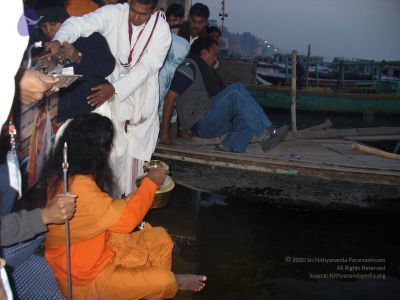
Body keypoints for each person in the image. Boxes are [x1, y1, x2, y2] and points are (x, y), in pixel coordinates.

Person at [44, 113, 206, 299]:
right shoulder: (78, 184)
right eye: (107, 147)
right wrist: (151, 183)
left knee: (160, 239)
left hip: (101, 246)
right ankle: (168, 282)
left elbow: (103, 209)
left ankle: (143, 286)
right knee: (163, 281)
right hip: (86, 279)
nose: (109, 151)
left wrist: (132, 197)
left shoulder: (67, 173)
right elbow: (126, 221)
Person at [45, 0, 172, 197]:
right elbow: (81, 23)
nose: (137, 18)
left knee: (134, 165)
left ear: (153, 10)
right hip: (110, 96)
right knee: (111, 157)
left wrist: (115, 88)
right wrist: (59, 40)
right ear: (129, 3)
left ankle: (129, 212)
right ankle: (110, 209)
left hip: (139, 96)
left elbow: (147, 68)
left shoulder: (161, 29)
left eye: (143, 15)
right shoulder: (114, 13)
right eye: (134, 11)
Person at [161, 36, 276, 153]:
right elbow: (169, 99)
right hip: (201, 122)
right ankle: (267, 133)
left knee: (247, 113)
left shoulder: (203, 70)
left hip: (207, 119)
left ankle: (229, 147)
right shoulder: (188, 68)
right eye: (214, 55)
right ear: (204, 53)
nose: (216, 59)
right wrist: (165, 134)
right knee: (236, 90)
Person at [32, 5, 116, 122]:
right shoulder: (40, 47)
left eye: (53, 24)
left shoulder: (89, 36)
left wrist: (78, 57)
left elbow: (108, 65)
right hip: (61, 115)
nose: (48, 30)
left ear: (65, 22)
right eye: (43, 26)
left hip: (92, 109)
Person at [159, 3, 189, 126]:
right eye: (169, 20)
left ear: (182, 20)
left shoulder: (184, 37)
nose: (171, 23)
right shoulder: (163, 33)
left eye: (175, 20)